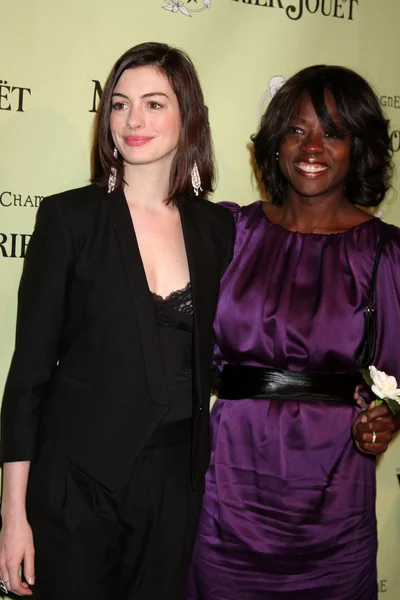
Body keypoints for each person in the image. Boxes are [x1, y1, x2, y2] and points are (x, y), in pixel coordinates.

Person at [0, 42, 234, 600]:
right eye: (120, 104)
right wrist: (13, 516)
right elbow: (29, 375)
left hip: (174, 487)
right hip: (75, 481)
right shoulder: (68, 218)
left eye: (154, 104)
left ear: (188, 116)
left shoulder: (218, 231)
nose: (133, 120)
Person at [184, 65, 400, 600]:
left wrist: (388, 417)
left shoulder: (385, 254)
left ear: (359, 147)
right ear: (277, 141)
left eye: (335, 132)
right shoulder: (231, 231)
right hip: (226, 485)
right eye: (298, 129)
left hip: (333, 496)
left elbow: (397, 381)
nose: (314, 146)